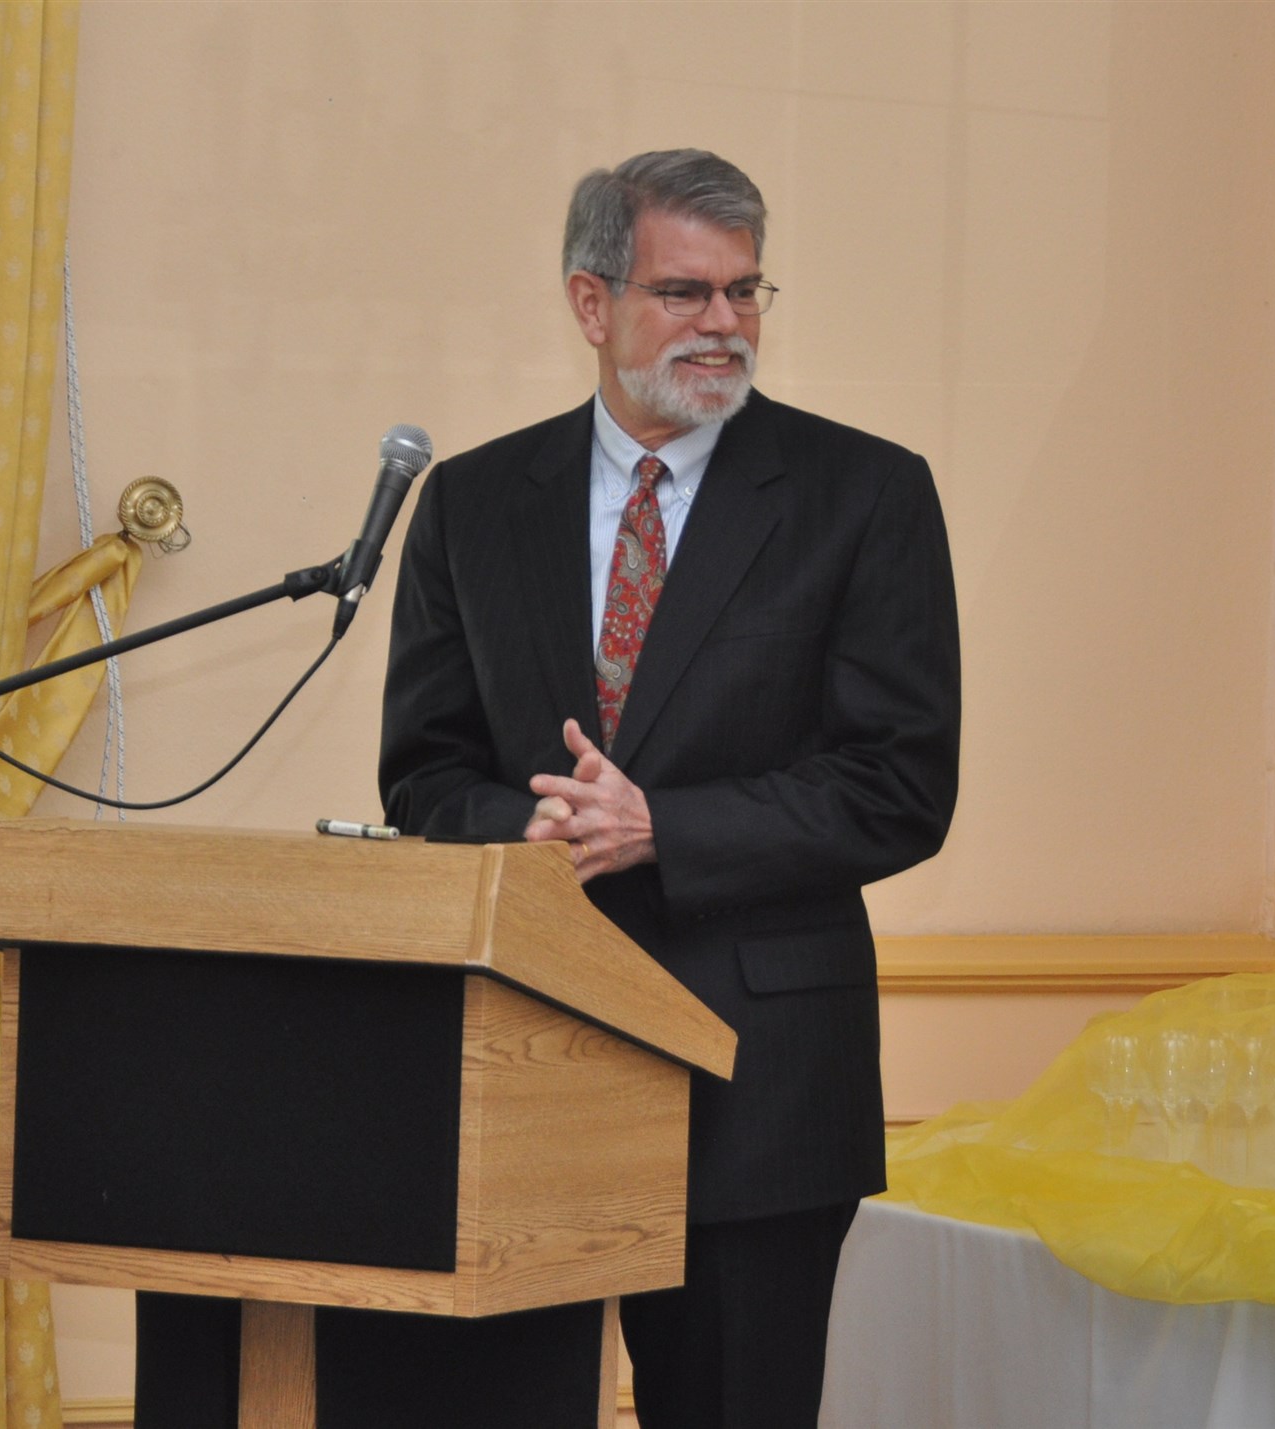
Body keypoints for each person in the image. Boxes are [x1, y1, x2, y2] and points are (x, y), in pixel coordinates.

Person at [378, 149, 961, 1426]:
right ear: (591, 304)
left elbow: (900, 783)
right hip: (520, 1070)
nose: (723, 326)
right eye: (684, 293)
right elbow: (421, 772)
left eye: (745, 292)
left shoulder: (862, 494)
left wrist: (662, 829)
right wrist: (532, 824)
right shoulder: (471, 503)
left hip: (757, 1082)